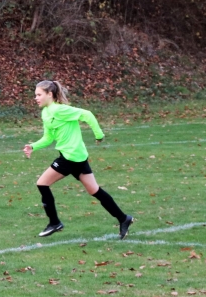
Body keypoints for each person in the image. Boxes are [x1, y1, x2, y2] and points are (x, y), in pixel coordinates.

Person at [23, 80, 133, 239]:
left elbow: (87, 114)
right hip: (77, 157)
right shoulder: (46, 113)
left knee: (42, 183)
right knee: (94, 190)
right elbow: (48, 137)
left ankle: (54, 222)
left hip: (70, 157)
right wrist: (33, 146)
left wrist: (99, 134)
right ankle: (124, 219)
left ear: (50, 94)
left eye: (39, 95)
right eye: (35, 95)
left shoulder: (60, 109)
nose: (36, 98)